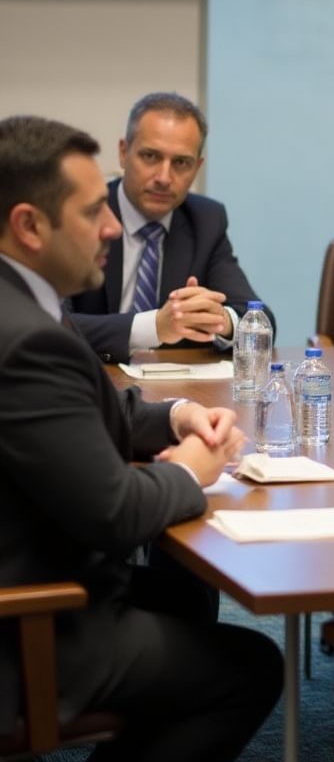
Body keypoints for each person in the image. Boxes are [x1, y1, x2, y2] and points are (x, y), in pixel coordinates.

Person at [0, 116, 282, 761]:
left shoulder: (23, 300)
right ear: (29, 226)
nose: (110, 226)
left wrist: (177, 415)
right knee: (251, 668)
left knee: (185, 593)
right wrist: (188, 470)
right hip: (29, 621)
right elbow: (116, 515)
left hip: (35, 564)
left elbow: (82, 406)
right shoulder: (25, 340)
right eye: (92, 211)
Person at [70, 92, 273, 364]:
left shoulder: (205, 220)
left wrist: (220, 320)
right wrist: (154, 326)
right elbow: (51, 323)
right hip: (94, 377)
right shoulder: (81, 215)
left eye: (181, 163)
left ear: (197, 167)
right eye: (150, 156)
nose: (164, 178)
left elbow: (260, 320)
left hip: (173, 385)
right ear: (123, 152)